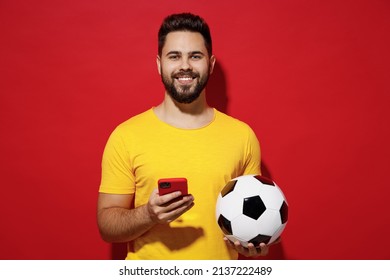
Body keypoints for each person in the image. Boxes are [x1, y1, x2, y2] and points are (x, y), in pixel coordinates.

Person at [97, 12, 273, 259]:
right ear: (159, 64)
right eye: (174, 56)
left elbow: (253, 213)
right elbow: (107, 225)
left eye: (195, 56)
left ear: (210, 64)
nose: (185, 66)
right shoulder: (126, 136)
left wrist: (253, 241)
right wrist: (147, 214)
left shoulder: (242, 136)